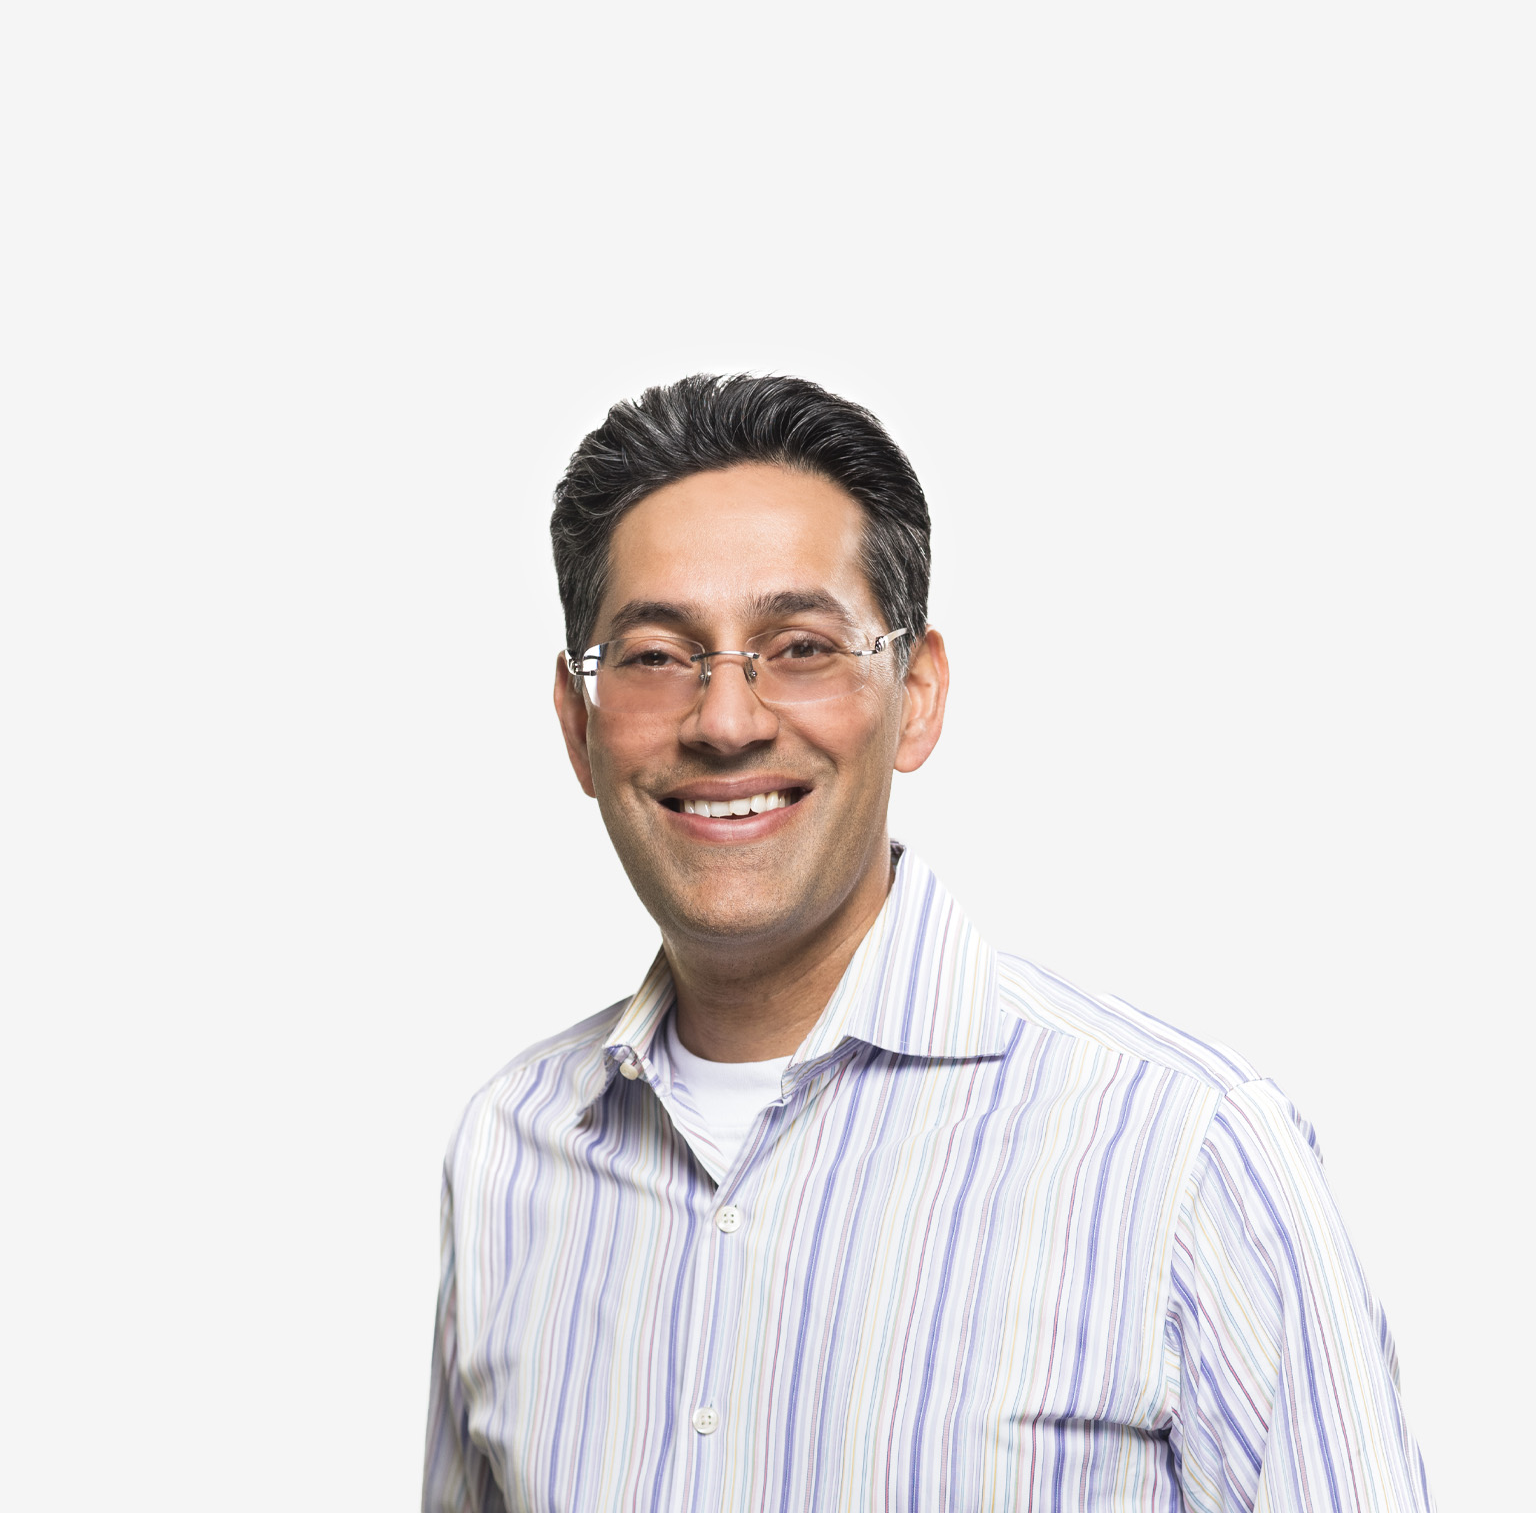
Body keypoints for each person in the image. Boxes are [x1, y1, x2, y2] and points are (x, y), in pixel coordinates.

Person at [423, 375, 1434, 1512]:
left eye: (799, 646)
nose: (726, 720)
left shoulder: (1186, 1156)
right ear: (578, 724)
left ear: (916, 695)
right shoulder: (507, 1153)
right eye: (657, 656)